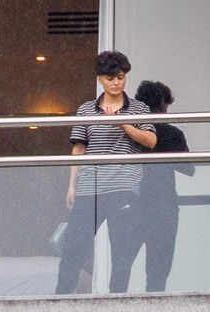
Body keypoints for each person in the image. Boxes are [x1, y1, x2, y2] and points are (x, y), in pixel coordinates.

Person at [55, 51, 156, 294]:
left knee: (122, 252)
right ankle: (59, 300)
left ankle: (116, 303)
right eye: (110, 78)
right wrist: (72, 185)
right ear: (100, 78)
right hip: (90, 187)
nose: (116, 82)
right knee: (73, 248)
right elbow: (79, 148)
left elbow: (151, 140)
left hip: (124, 187)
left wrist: (123, 123)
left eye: (121, 77)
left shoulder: (138, 108)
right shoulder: (87, 110)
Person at [122, 81, 193, 292]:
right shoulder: (171, 133)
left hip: (133, 205)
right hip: (163, 208)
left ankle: (114, 311)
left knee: (121, 264)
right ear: (162, 104)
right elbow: (189, 169)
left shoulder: (131, 132)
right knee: (158, 272)